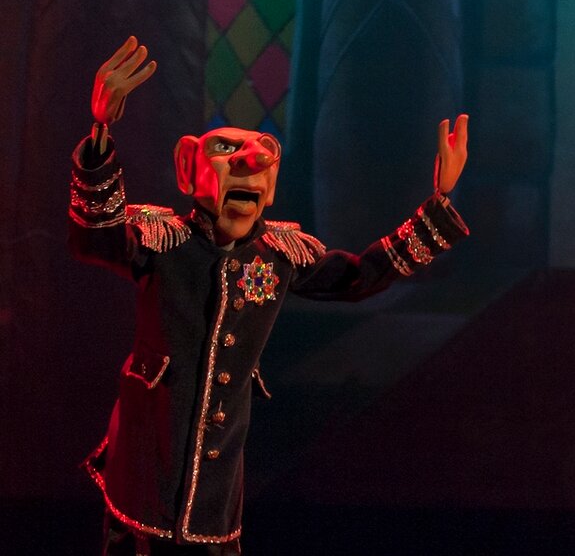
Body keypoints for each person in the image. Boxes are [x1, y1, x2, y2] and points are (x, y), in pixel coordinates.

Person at [70, 36, 471, 554]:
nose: (248, 163)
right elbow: (96, 235)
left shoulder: (279, 256)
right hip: (146, 466)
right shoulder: (163, 241)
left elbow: (360, 276)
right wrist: (101, 133)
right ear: (189, 168)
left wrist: (439, 204)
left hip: (215, 484)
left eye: (263, 157)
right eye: (226, 152)